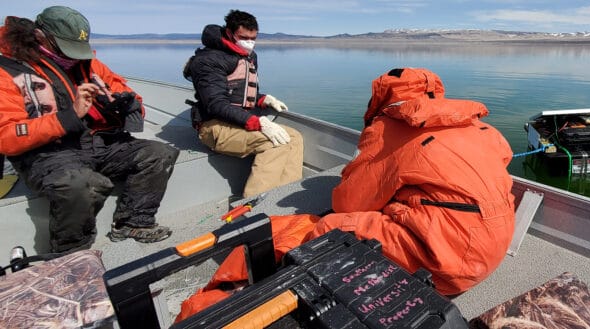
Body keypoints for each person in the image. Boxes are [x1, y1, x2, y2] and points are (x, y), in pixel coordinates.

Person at [174, 67, 516, 322]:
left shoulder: (390, 129)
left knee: (325, 228)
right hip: (494, 248)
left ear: (383, 98)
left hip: (447, 262)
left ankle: (226, 295)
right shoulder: (478, 125)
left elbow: (348, 203)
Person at [0, 6, 179, 253]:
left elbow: (121, 88)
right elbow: (6, 137)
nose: (73, 56)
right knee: (81, 184)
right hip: (49, 153)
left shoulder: (86, 63)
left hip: (97, 143)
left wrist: (125, 105)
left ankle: (133, 222)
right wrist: (69, 116)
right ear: (41, 37)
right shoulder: (7, 70)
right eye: (66, 48)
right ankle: (72, 253)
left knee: (158, 153)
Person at [184, 10, 303, 198]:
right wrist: (259, 122)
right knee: (275, 143)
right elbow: (216, 104)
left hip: (238, 122)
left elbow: (243, 93)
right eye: (244, 37)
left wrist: (264, 99)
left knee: (295, 137)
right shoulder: (207, 60)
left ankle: (287, 196)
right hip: (214, 127)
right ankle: (253, 208)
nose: (249, 42)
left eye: (253, 38)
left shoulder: (249, 56)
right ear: (229, 33)